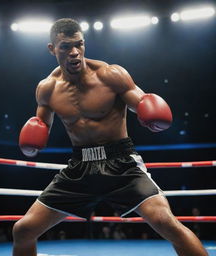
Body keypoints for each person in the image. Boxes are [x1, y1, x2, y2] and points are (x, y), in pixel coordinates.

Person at [12, 18, 208, 256]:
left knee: (167, 223)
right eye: (65, 46)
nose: (74, 52)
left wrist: (149, 110)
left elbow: (140, 100)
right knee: (23, 230)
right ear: (52, 49)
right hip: (80, 169)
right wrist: (33, 141)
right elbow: (41, 123)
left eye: (79, 44)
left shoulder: (110, 75)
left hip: (122, 164)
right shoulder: (47, 88)